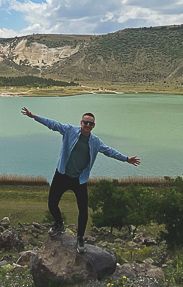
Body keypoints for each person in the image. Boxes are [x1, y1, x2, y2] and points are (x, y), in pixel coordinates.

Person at [21, 106, 140, 254]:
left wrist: (126, 159)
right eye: (85, 122)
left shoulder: (95, 142)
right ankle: (59, 224)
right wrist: (34, 116)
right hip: (62, 174)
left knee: (83, 210)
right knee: (52, 204)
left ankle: (80, 238)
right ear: (81, 123)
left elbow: (109, 151)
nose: (88, 126)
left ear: (94, 126)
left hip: (79, 179)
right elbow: (53, 124)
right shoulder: (70, 131)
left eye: (91, 124)